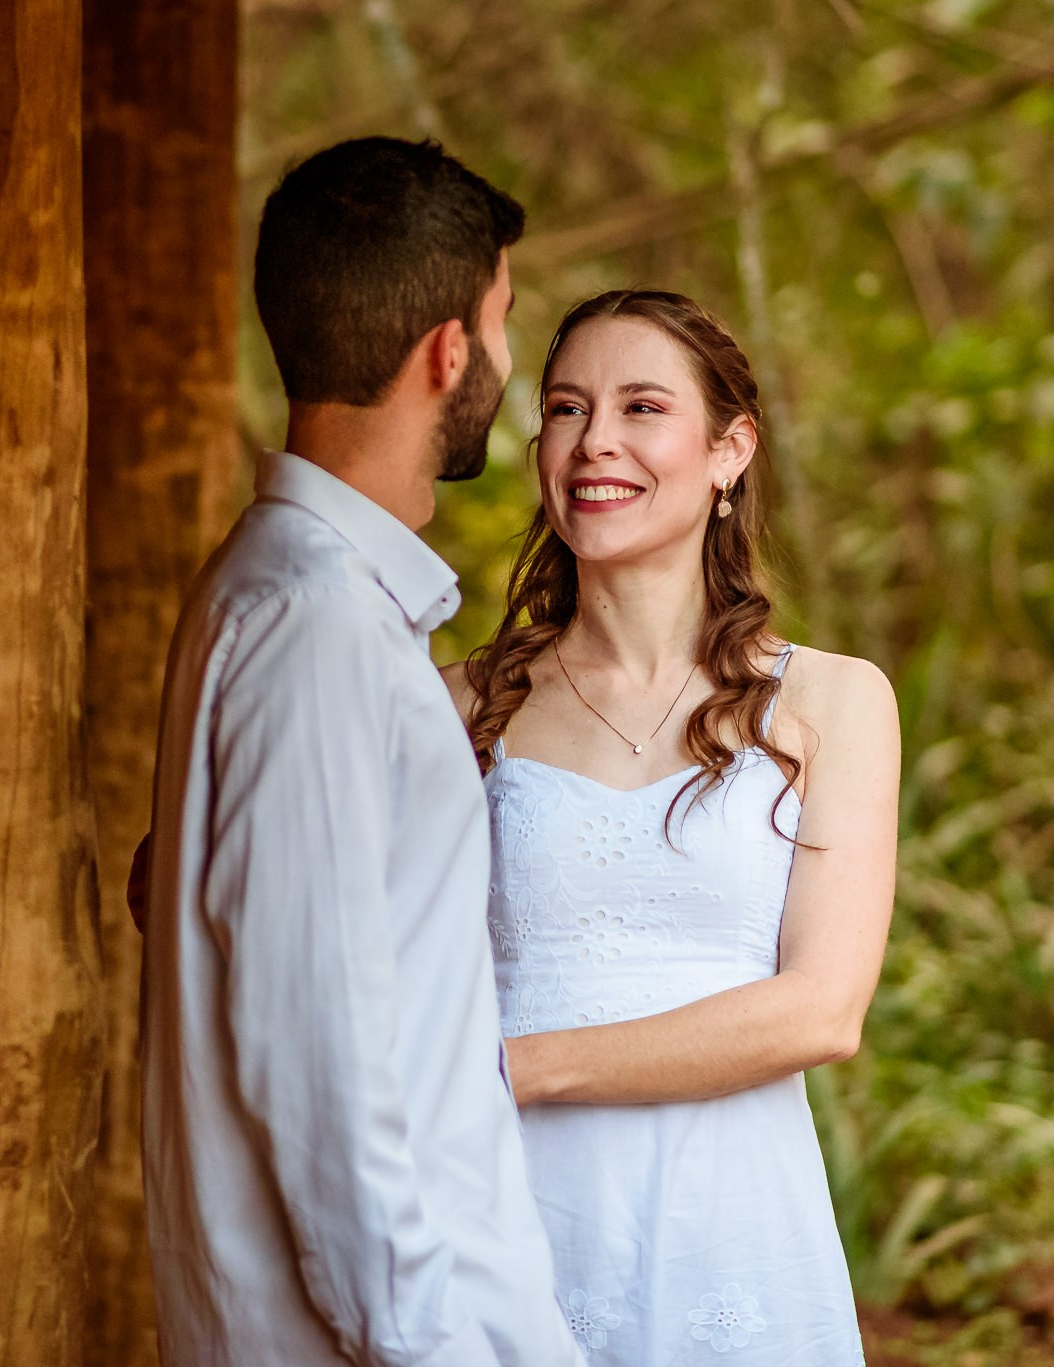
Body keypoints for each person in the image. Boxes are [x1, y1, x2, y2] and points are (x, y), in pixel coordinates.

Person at [140, 137, 588, 1367]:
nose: (503, 359)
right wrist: (424, 1338)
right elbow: (311, 1032)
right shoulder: (314, 624)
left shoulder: (298, 600)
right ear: (446, 349)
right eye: (501, 323)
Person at [444, 289, 897, 1365]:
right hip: (509, 1209)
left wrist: (516, 1067)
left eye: (640, 406)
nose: (594, 440)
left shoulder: (831, 702)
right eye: (563, 408)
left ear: (728, 448)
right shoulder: (451, 707)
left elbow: (820, 1011)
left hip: (731, 1220)